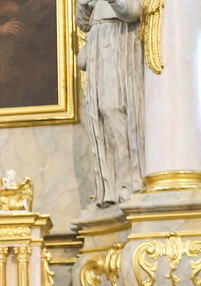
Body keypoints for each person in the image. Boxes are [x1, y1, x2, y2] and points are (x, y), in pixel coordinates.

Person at [77, 0, 144, 209]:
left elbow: (134, 11)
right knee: (99, 114)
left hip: (119, 39)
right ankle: (110, 187)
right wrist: (82, 5)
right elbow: (83, 24)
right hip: (98, 42)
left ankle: (129, 181)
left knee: (114, 107)